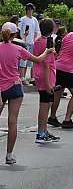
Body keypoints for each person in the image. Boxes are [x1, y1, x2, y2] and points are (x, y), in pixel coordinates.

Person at [0, 22, 54, 164]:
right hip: (15, 87)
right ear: (15, 34)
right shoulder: (18, 49)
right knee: (13, 122)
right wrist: (47, 52)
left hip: (1, 88)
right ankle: (9, 155)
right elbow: (38, 60)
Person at [33, 18, 60, 144]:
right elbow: (46, 64)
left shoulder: (38, 40)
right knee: (44, 106)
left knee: (47, 104)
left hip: (40, 75)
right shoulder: (48, 44)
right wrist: (49, 84)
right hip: (46, 76)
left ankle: (44, 130)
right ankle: (41, 133)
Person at [18, 3, 41, 86]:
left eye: (31, 9)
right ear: (26, 10)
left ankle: (32, 78)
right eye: (28, 9)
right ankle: (22, 78)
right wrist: (23, 38)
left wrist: (35, 39)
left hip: (32, 42)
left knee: (31, 62)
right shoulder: (23, 19)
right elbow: (19, 29)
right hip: (25, 42)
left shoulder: (34, 19)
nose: (30, 11)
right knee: (23, 62)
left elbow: (37, 31)